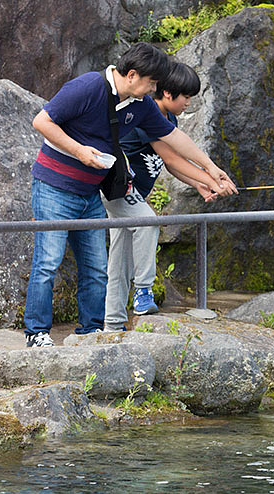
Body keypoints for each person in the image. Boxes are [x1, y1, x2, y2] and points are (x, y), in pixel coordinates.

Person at [24, 42, 237, 348]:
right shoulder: (88, 87)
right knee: (48, 262)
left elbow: (174, 138)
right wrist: (79, 151)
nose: (155, 89)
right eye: (152, 82)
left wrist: (212, 169)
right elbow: (41, 121)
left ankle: (91, 333)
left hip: (90, 193)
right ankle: (37, 333)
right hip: (54, 188)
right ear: (133, 75)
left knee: (96, 268)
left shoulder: (141, 105)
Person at [103, 61, 234, 332]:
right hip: (119, 190)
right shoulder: (147, 116)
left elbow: (171, 165)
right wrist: (211, 179)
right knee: (148, 223)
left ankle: (113, 324)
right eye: (185, 96)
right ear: (167, 93)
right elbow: (172, 157)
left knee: (121, 257)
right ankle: (143, 291)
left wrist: (198, 184)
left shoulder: (169, 119)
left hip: (134, 195)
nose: (188, 103)